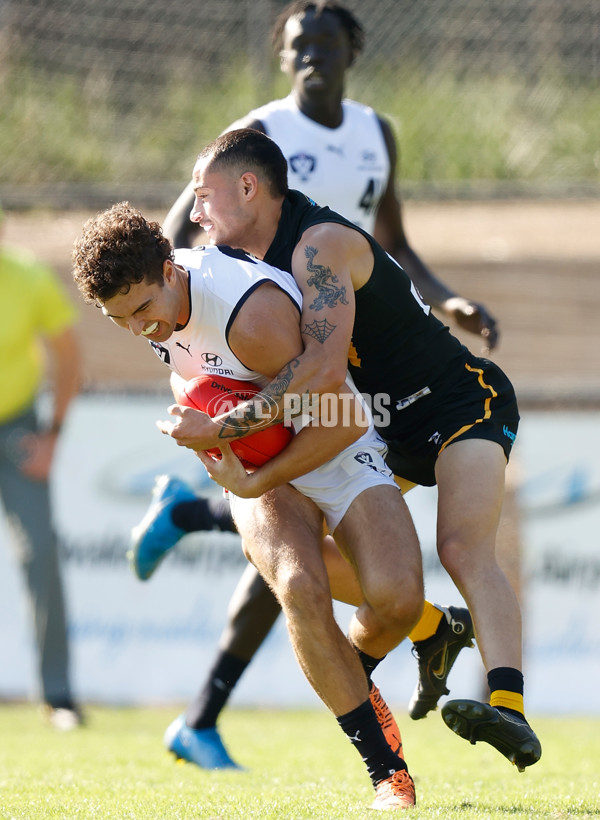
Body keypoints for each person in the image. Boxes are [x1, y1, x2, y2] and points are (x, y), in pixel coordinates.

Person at [129, 0, 490, 768]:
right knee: (291, 565)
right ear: (283, 55)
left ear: (352, 50)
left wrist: (442, 297)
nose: (313, 56)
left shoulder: (374, 134)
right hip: (274, 362)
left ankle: (199, 525)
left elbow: (388, 243)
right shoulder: (255, 138)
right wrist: (162, 318)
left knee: (329, 555)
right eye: (299, 44)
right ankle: (218, 712)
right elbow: (172, 237)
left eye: (327, 42)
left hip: (357, 371)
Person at [156, 126, 542, 777]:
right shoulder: (239, 264)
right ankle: (429, 628)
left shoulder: (317, 248)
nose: (194, 213)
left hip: (459, 403)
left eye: (202, 195)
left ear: (248, 187)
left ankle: (508, 704)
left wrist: (226, 427)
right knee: (313, 555)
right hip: (381, 425)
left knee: (460, 547)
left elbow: (324, 367)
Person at [72, 201, 430, 809]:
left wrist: (240, 462)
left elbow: (343, 421)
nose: (139, 329)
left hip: (334, 440)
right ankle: (386, 773)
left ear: (170, 270)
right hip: (259, 452)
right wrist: (219, 447)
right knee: (298, 584)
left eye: (141, 310)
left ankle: (349, 673)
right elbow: (194, 377)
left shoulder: (251, 316)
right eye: (119, 321)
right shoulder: (150, 302)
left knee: (399, 601)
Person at [0, 203, 82, 730]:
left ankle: (59, 698)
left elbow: (69, 358)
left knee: (42, 553)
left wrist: (51, 436)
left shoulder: (28, 277)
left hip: (19, 432)